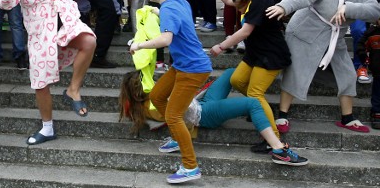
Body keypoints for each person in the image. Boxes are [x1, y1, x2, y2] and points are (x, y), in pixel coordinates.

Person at [0, 0, 96, 145]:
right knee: (41, 83)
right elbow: (4, 3)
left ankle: (73, 89)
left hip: (67, 22)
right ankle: (48, 127)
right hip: (40, 32)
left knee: (89, 42)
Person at [267, 0, 380, 134]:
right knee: (297, 70)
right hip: (304, 31)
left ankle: (348, 118)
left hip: (336, 36)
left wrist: (347, 8)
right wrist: (283, 6)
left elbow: (375, 11)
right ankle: (282, 115)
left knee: (347, 74)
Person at [119, 68, 309, 166]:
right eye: (146, 79)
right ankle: (277, 148)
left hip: (200, 103)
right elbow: (180, 119)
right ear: (139, 92)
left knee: (230, 74)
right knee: (253, 103)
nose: (151, 78)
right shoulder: (153, 105)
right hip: (204, 114)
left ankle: (257, 114)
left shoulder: (150, 99)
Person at [128, 0, 212, 184]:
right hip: (184, 65)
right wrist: (156, 10)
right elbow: (176, 15)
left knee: (173, 116)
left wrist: (139, 45)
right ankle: (178, 136)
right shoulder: (178, 1)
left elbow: (166, 39)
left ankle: (190, 166)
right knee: (156, 96)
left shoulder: (169, 10)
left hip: (193, 70)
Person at [203, 0, 292, 150]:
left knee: (255, 93)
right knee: (237, 80)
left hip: (270, 55)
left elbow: (245, 32)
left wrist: (221, 46)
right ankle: (257, 109)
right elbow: (228, 0)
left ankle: (273, 139)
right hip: (255, 53)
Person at [356, 20, 380, 129]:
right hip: (378, 70)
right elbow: (361, 45)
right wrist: (364, 58)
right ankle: (377, 113)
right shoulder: (372, 32)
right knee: (377, 93)